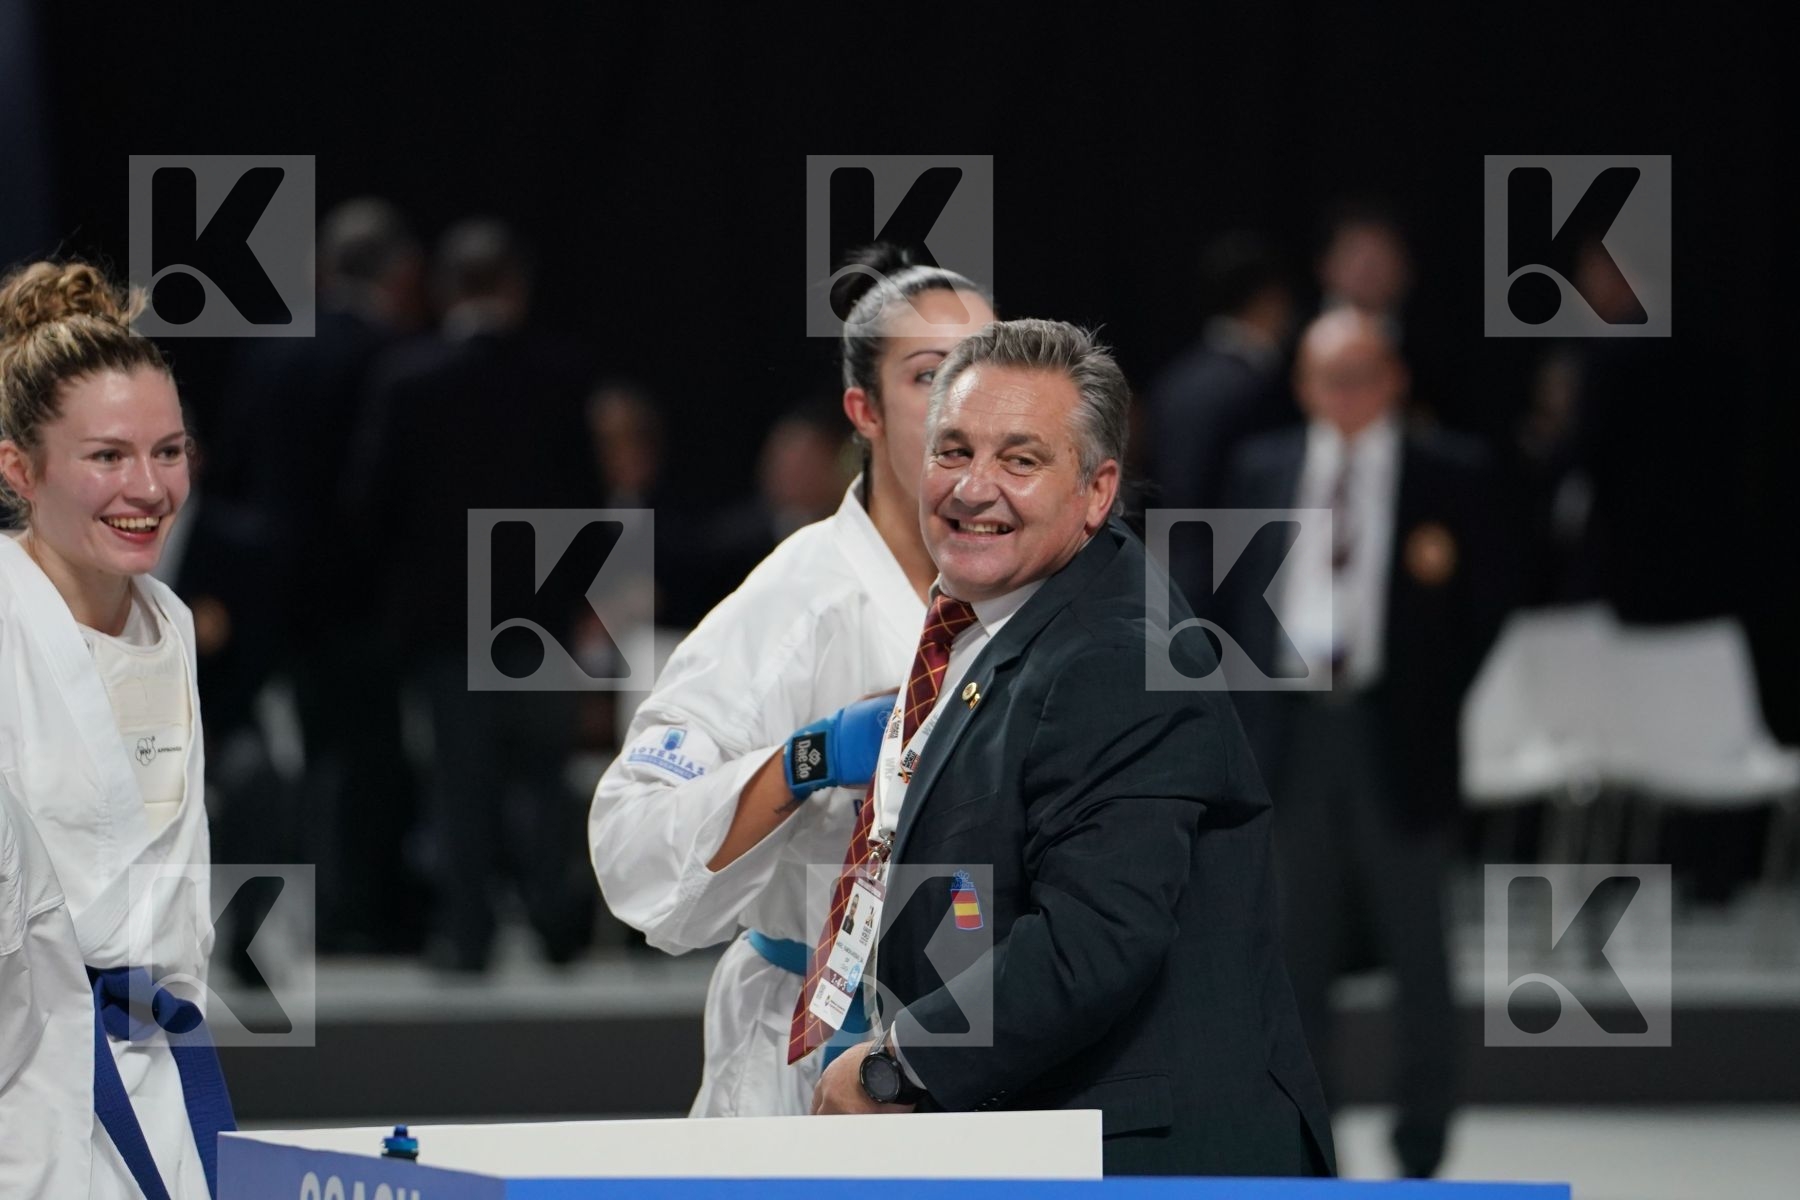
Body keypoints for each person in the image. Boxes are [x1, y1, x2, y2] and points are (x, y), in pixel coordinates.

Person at [807, 319, 1334, 1179]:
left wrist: (896, 1064)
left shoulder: (1117, 655)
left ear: (1097, 492)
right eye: (953, 449)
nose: (975, 488)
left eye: (1021, 460)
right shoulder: (1009, 617)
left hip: (1145, 1164)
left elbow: (1094, 939)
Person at [589, 243, 996, 1116]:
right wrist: (810, 758)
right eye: (930, 376)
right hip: (815, 1054)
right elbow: (633, 839)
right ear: (865, 410)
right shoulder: (799, 602)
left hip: (992, 1043)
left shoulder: (1046, 588)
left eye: (988, 370)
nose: (967, 403)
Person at [1219, 309, 1514, 1177]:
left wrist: (1430, 695)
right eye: (1327, 377)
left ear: (1394, 378)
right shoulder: (1260, 466)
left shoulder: (1450, 473)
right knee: (1295, 957)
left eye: (1363, 374)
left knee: (1420, 953)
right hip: (1291, 735)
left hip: (1399, 737)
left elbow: (1489, 600)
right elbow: (1224, 596)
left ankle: (1421, 1151)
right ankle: (1310, 1151)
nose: (1345, 394)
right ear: (1304, 384)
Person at [0, 260, 233, 1197]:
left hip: (156, 1081)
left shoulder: (168, 623)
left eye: (168, 451)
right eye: (107, 456)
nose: (148, 488)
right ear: (19, 468)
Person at [347, 218, 600, 972]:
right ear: (515, 288)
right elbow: (594, 505)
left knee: (459, 782)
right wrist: (579, 602)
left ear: (446, 289)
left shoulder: (406, 378)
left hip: (444, 621)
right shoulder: (563, 375)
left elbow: (369, 506)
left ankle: (467, 935)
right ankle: (560, 929)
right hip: (541, 615)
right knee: (546, 779)